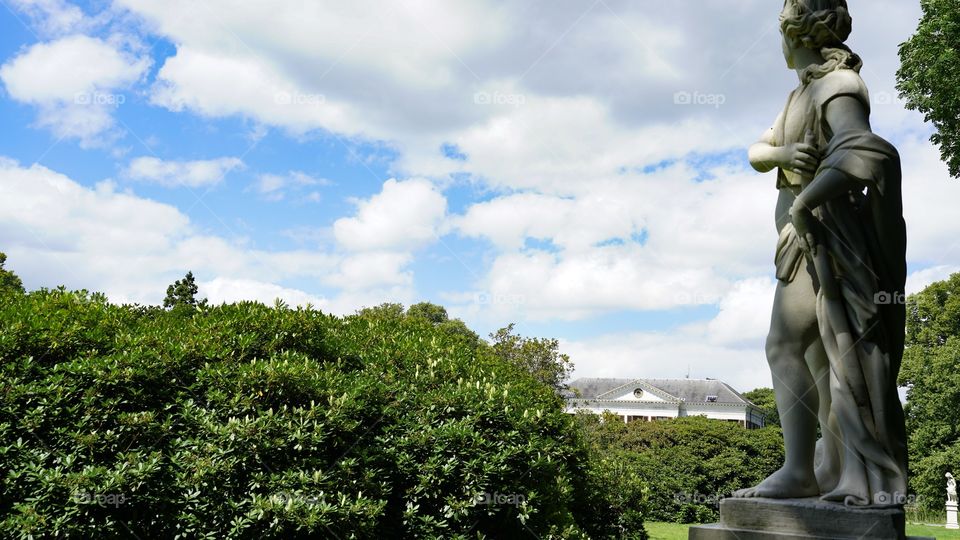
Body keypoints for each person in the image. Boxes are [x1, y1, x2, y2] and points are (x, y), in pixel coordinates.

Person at [733, 0, 908, 506]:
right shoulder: (800, 94)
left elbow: (865, 149)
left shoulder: (838, 86)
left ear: (796, 35)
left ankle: (799, 471)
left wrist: (806, 200)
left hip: (824, 239)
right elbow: (756, 151)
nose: (780, 43)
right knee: (821, 358)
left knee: (785, 345)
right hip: (802, 240)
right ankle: (829, 467)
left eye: (781, 33)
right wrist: (782, 154)